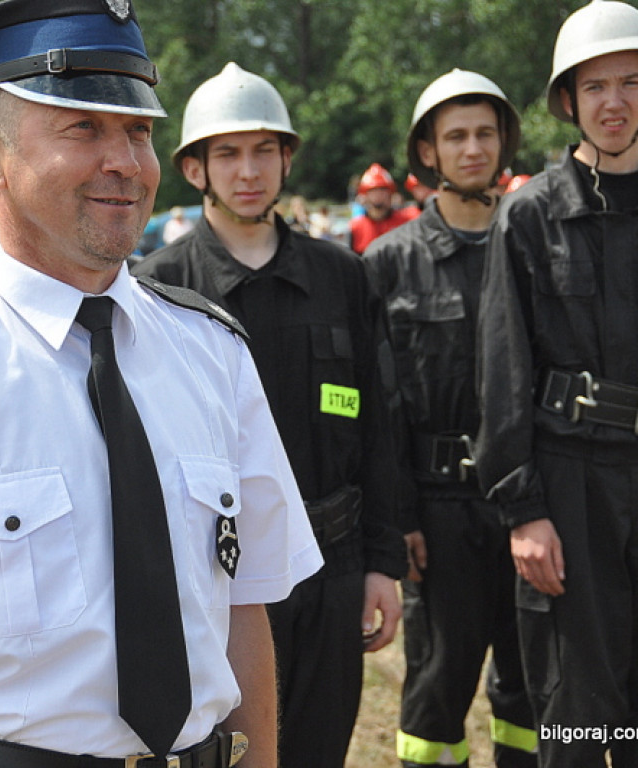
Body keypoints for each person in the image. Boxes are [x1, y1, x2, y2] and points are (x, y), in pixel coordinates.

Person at [0, 4, 324, 768]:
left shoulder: (212, 353)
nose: (126, 160)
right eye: (83, 129)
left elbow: (242, 609)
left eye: (139, 131)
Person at [133, 61, 406, 768]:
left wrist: (381, 564)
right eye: (226, 153)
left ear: (287, 158)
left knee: (319, 751)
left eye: (263, 150)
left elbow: (378, 424)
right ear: (194, 168)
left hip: (333, 565)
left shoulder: (343, 275)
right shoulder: (157, 287)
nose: (247, 170)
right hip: (214, 580)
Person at [474, 2, 638, 765]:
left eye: (633, 82)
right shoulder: (529, 216)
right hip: (569, 487)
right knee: (578, 713)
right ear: (568, 100)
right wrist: (525, 510)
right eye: (595, 85)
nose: (615, 102)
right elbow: (504, 374)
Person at [363, 69, 536, 768]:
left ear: (504, 143)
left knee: (532, 689)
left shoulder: (535, 250)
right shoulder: (387, 265)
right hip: (436, 516)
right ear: (427, 152)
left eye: (485, 133)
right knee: (437, 693)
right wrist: (397, 520)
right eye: (455, 136)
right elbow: (376, 415)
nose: (473, 149)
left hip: (528, 510)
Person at [348, 162, 419, 254]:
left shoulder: (406, 220)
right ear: (365, 194)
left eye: (382, 190)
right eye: (373, 190)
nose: (378, 195)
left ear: (390, 193)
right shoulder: (357, 227)